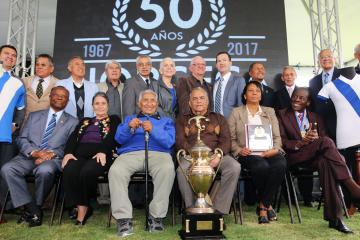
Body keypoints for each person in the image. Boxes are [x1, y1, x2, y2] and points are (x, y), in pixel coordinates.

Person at [278, 87, 360, 233]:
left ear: (308, 102)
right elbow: (281, 141)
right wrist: (301, 143)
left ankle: (335, 219)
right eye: (295, 96)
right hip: (295, 157)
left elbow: (323, 138)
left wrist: (315, 140)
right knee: (327, 142)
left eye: (301, 98)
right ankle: (352, 187)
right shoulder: (281, 115)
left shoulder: (316, 117)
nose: (296, 99)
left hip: (316, 157)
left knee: (326, 162)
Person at [1, 86, 78, 227]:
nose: (60, 97)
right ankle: (33, 208)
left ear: (67, 101)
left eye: (64, 96)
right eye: (56, 95)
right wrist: (34, 152)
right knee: (7, 169)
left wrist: (51, 154)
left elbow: (70, 147)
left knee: (45, 171)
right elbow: (21, 138)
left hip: (52, 159)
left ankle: (33, 208)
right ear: (50, 97)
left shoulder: (73, 122)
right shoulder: (34, 115)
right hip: (28, 156)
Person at [109, 89, 175, 237]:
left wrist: (154, 130)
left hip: (159, 154)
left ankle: (156, 216)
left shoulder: (166, 121)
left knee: (168, 168)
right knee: (116, 170)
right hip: (130, 154)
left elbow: (169, 142)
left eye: (152, 100)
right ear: (139, 103)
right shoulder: (129, 118)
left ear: (157, 104)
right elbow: (118, 139)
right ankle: (123, 218)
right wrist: (128, 127)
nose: (149, 103)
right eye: (145, 100)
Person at [228, 81, 286, 224]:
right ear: (244, 95)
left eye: (257, 91)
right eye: (250, 90)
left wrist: (275, 149)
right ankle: (267, 206)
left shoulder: (269, 111)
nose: (254, 93)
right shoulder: (236, 112)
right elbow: (230, 139)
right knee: (261, 166)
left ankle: (263, 204)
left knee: (280, 164)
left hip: (269, 151)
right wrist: (240, 150)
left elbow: (277, 137)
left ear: (261, 95)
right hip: (247, 154)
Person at [176, 87, 241, 215]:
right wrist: (196, 156)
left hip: (214, 155)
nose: (198, 101)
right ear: (189, 103)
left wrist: (218, 155)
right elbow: (180, 141)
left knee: (234, 167)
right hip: (191, 156)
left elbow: (226, 140)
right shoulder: (182, 119)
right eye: (194, 98)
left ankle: (218, 210)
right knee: (181, 170)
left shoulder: (218, 118)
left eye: (202, 98)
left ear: (207, 102)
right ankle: (192, 209)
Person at [61, 92, 120, 225]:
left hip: (101, 154)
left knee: (87, 171)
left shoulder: (114, 119)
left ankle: (83, 208)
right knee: (69, 169)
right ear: (92, 106)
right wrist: (68, 153)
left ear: (108, 106)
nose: (100, 106)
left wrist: (103, 151)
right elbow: (73, 137)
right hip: (80, 154)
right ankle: (78, 204)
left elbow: (112, 137)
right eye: (97, 103)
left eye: (103, 103)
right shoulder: (85, 121)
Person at [0, 45, 25, 224]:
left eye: (14, 56)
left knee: (3, 174)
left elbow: (21, 109)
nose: (11, 57)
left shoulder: (18, 83)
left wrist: (16, 123)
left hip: (6, 137)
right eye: (7, 54)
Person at [309, 49, 340, 142]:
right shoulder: (313, 81)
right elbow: (313, 104)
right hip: (322, 127)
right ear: (318, 62)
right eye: (322, 57)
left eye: (329, 56)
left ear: (334, 59)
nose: (326, 59)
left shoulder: (343, 76)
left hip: (341, 123)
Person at [22, 54, 58, 120]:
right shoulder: (24, 81)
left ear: (51, 69)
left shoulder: (58, 84)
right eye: (37, 64)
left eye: (43, 65)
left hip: (47, 125)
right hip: (25, 124)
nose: (39, 67)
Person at [212, 51, 245, 118]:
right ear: (216, 65)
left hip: (231, 123)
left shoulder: (239, 81)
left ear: (230, 63)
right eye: (219, 61)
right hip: (215, 124)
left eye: (224, 60)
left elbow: (241, 106)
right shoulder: (215, 84)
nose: (221, 63)